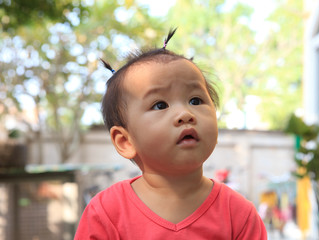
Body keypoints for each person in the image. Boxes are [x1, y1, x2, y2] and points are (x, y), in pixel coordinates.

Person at [75, 28, 267, 239]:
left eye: (195, 100)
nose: (185, 114)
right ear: (125, 141)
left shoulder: (238, 214)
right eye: (160, 105)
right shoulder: (106, 213)